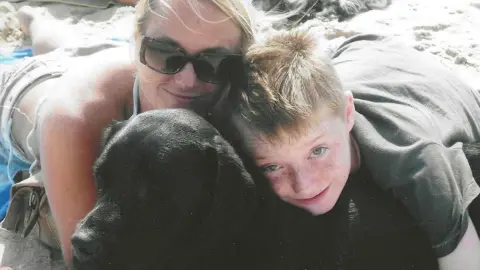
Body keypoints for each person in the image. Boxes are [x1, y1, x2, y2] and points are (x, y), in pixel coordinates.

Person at [0, 0, 258, 263]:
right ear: (137, 44)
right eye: (163, 51)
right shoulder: (73, 119)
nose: (187, 80)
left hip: (119, 63)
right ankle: (32, 17)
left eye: (214, 61)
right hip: (33, 89)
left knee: (66, 46)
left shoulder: (249, 90)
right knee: (51, 51)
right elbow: (85, 256)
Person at [229, 29, 480, 269]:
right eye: (273, 166)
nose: (304, 185)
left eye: (318, 151)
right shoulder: (322, 118)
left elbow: (465, 260)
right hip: (361, 51)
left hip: (435, 87)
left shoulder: (418, 160)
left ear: (349, 114)